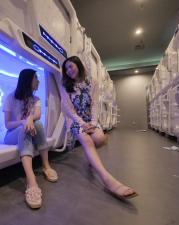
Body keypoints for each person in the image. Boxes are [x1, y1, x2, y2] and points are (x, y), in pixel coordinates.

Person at [61, 56, 138, 200]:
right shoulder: (66, 87)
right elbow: (69, 110)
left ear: (78, 65)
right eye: (66, 69)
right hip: (76, 122)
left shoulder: (93, 82)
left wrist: (93, 122)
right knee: (88, 142)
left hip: (91, 120)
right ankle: (108, 180)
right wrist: (83, 124)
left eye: (71, 66)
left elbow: (95, 104)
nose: (69, 71)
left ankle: (91, 159)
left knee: (100, 138)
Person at [3, 68, 58, 209]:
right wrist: (23, 122)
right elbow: (8, 125)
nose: (38, 81)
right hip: (11, 135)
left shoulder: (36, 99)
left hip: (28, 131)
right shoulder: (10, 98)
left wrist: (29, 119)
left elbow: (37, 115)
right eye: (36, 78)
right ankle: (31, 179)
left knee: (37, 123)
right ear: (28, 80)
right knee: (24, 128)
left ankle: (46, 166)